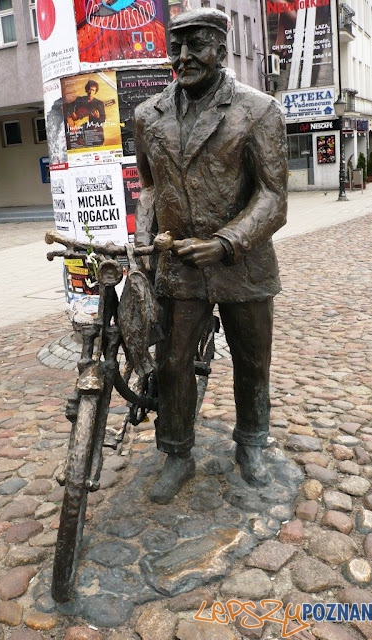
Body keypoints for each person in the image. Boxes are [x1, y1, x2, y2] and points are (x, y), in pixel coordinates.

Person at [133, 8, 288, 504]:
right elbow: (150, 187)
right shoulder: (147, 116)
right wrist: (144, 246)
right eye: (176, 47)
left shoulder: (258, 110)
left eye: (196, 45)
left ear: (221, 50)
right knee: (174, 364)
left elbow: (273, 197)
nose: (183, 57)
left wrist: (226, 241)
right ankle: (176, 453)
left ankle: (252, 444)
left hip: (244, 264)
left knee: (251, 361)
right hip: (178, 264)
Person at [65, 80, 106, 147]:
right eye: (89, 90)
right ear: (86, 90)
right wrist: (73, 114)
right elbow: (69, 106)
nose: (91, 92)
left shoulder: (99, 103)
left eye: (93, 90)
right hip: (80, 128)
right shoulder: (80, 99)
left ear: (95, 91)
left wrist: (98, 117)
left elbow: (103, 119)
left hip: (92, 130)